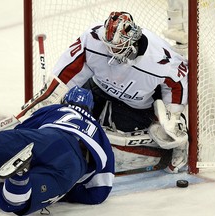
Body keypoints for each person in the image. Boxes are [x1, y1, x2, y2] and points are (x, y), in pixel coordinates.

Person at [52, 11, 189, 173]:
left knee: (118, 153)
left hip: (135, 107)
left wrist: (172, 119)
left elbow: (178, 85)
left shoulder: (162, 58)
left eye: (116, 47)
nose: (109, 50)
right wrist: (52, 99)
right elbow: (65, 77)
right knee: (66, 124)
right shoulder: (93, 39)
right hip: (97, 91)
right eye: (108, 44)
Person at [0, 86, 115, 215]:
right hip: (72, 163)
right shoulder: (99, 132)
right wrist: (67, 191)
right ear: (90, 110)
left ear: (64, 101)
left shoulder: (54, 110)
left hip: (44, 137)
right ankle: (21, 174)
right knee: (13, 203)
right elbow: (99, 192)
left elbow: (20, 132)